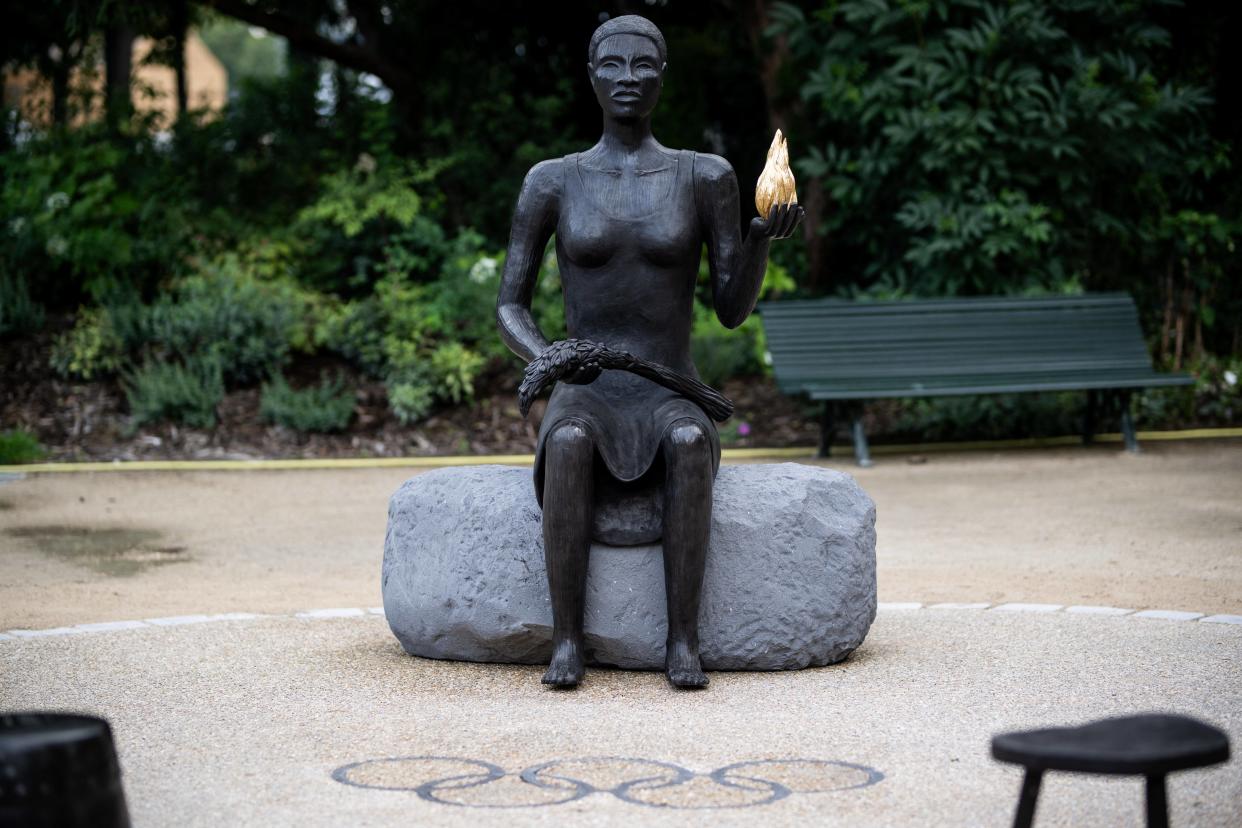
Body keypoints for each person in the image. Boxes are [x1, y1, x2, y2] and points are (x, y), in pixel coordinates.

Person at [497, 14, 802, 688]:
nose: (627, 78)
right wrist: (548, 357)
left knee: (690, 445)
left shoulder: (705, 176)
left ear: (662, 76)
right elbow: (508, 304)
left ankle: (683, 640)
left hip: (669, 385)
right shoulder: (554, 180)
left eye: (642, 65)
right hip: (587, 381)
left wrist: (756, 239)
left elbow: (728, 309)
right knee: (570, 441)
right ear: (591, 75)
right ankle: (567, 639)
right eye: (612, 64)